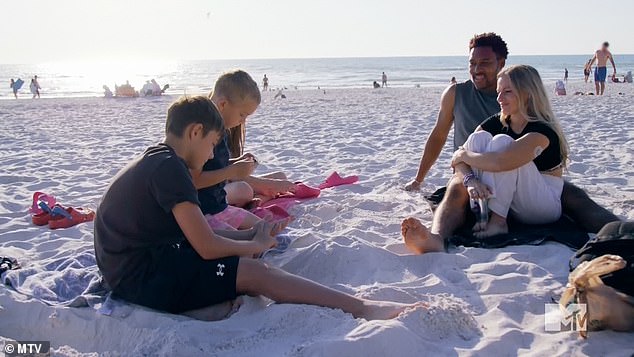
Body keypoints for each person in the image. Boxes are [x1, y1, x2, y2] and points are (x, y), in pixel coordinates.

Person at [94, 95, 418, 321]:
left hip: (133, 264)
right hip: (139, 279)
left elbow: (195, 232)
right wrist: (255, 244)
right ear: (195, 132)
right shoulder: (173, 171)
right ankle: (362, 308)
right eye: (210, 145)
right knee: (254, 271)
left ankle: (356, 304)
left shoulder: (160, 159)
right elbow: (206, 247)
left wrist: (251, 232)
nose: (210, 156)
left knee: (245, 254)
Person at [402, 32, 618, 254]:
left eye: (484, 63)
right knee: (458, 183)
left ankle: (621, 230)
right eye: (472, 63)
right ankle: (437, 239)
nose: (476, 69)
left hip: (520, 180)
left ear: (501, 64)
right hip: (477, 175)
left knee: (573, 195)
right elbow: (441, 137)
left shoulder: (531, 119)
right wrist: (443, 178)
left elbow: (501, 160)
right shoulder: (464, 97)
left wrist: (464, 156)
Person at [449, 65, 568, 238]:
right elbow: (457, 160)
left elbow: (500, 162)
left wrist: (464, 155)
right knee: (477, 139)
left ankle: (498, 222)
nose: (499, 98)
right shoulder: (498, 121)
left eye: (507, 92)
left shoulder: (543, 131)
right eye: (498, 92)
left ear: (527, 93)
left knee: (502, 143)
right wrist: (471, 180)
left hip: (542, 206)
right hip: (512, 202)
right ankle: (482, 213)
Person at [193, 70, 296, 230]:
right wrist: (232, 171)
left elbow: (213, 163)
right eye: (242, 115)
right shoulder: (206, 132)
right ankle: (259, 198)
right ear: (222, 104)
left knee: (261, 227)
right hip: (207, 207)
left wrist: (237, 163)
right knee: (252, 211)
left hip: (217, 202)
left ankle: (259, 201)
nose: (243, 121)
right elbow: (194, 178)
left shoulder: (220, 128)